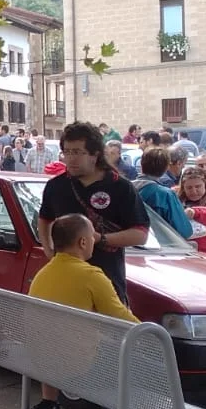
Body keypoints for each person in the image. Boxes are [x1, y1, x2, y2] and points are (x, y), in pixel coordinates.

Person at [20, 213, 139, 409]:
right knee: (127, 356)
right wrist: (152, 332)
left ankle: (49, 406)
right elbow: (121, 319)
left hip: (39, 359)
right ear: (83, 242)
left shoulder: (44, 273)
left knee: (58, 338)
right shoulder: (91, 275)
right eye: (92, 236)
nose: (94, 240)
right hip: (75, 365)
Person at [37, 121, 149, 304]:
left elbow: (140, 234)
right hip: (66, 285)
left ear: (95, 154)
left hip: (107, 282)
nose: (70, 158)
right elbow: (44, 219)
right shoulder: (56, 186)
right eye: (67, 152)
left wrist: (100, 238)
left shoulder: (120, 187)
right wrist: (48, 251)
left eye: (77, 152)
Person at [132, 148, 194, 238]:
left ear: (141, 164)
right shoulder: (165, 195)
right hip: (158, 243)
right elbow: (184, 231)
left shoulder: (125, 188)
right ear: (166, 167)